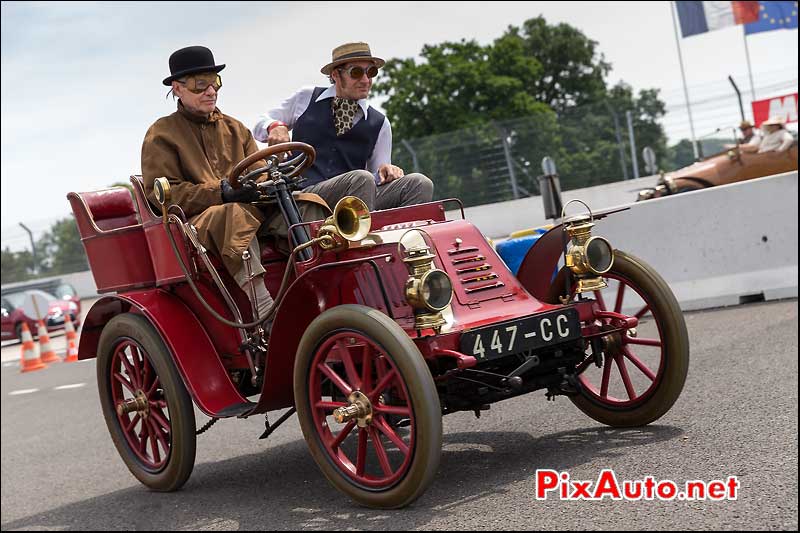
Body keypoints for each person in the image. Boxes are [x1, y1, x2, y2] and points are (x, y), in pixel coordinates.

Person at [141, 45, 274, 321]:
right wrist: (221, 192)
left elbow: (260, 171)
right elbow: (164, 196)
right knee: (232, 214)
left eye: (215, 82)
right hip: (195, 227)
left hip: (251, 213)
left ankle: (323, 292)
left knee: (306, 204)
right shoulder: (161, 134)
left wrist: (268, 184)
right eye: (200, 85)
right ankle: (265, 311)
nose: (211, 91)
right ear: (177, 88)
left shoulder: (236, 128)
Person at [253, 42, 433, 211]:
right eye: (356, 73)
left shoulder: (380, 123)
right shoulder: (307, 97)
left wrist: (388, 171)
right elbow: (260, 123)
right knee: (361, 178)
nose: (365, 80)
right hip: (305, 194)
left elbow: (376, 178)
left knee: (420, 183)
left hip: (357, 194)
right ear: (335, 75)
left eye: (371, 72)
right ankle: (362, 241)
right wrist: (274, 126)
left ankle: (406, 240)